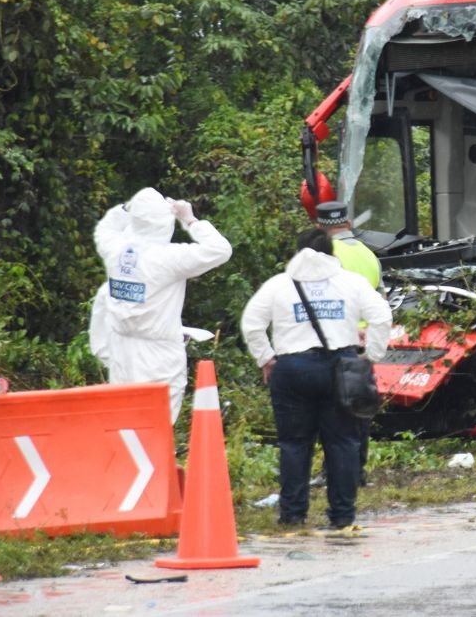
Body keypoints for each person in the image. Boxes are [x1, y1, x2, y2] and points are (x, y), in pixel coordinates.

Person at [241, 228, 391, 529]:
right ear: (332, 253)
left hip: (292, 369)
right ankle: (342, 516)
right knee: (344, 443)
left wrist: (266, 359)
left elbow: (252, 323)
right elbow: (382, 317)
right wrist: (371, 355)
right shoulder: (351, 282)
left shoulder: (279, 285)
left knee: (294, 444)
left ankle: (293, 515)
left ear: (298, 252)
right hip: (342, 368)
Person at [91, 188, 232, 423]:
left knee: (125, 426)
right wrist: (190, 220)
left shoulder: (116, 250)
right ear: (165, 223)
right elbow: (221, 250)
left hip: (121, 350)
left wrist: (129, 208)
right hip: (157, 355)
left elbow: (105, 228)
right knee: (156, 427)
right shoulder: (167, 257)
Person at [316, 200, 383, 486]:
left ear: (319, 227)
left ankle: (332, 472)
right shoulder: (370, 256)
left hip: (334, 341)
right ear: (349, 223)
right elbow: (382, 301)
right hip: (363, 345)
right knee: (359, 410)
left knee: (331, 412)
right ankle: (358, 472)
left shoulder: (325, 253)